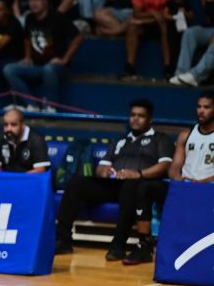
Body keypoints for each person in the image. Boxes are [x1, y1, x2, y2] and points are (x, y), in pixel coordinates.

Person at [55, 98, 174, 260]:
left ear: (150, 119)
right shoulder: (120, 140)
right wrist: (105, 172)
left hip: (139, 186)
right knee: (77, 183)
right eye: (132, 115)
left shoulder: (161, 139)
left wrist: (138, 173)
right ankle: (63, 240)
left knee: (130, 186)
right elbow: (102, 166)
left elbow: (165, 166)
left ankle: (118, 245)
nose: (135, 119)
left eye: (140, 116)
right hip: (114, 184)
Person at [2, 0, 83, 112]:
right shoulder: (29, 18)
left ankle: (50, 107)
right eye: (31, 0)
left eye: (37, 0)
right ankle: (31, 105)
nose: (33, 3)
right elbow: (27, 39)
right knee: (9, 69)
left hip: (56, 67)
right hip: (36, 66)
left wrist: (64, 59)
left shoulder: (58, 17)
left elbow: (78, 38)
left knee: (48, 69)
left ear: (45, 1)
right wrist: (28, 57)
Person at [0, 108, 50, 172]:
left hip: (28, 177)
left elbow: (40, 170)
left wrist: (19, 178)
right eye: (6, 125)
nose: (9, 129)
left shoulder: (36, 139)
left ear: (22, 125)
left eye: (13, 125)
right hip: (6, 177)